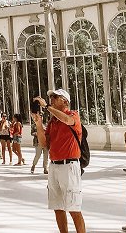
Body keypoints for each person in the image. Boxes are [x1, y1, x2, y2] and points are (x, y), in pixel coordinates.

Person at [32, 89, 86, 233]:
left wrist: (47, 107)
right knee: (58, 207)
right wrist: (38, 124)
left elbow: (67, 120)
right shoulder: (52, 122)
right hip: (54, 166)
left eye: (55, 97)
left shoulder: (73, 115)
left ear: (65, 101)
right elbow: (44, 144)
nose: (51, 99)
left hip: (69, 166)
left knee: (74, 208)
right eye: (50, 97)